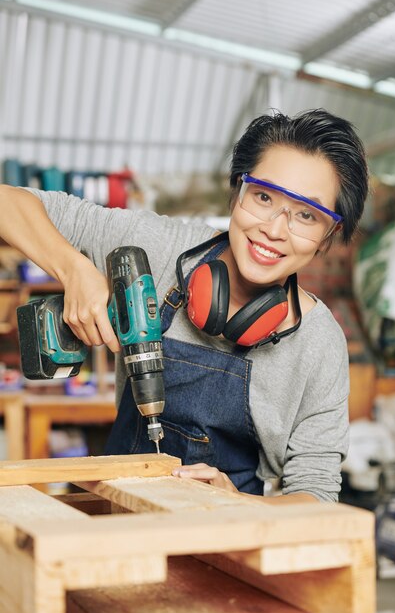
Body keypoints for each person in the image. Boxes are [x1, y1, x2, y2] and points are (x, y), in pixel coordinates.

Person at [0, 108, 368, 503]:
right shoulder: (155, 249)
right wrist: (73, 269)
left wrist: (238, 505)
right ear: (236, 190)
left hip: (231, 543)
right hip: (118, 516)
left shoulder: (318, 343)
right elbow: (8, 201)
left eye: (306, 215)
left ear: (329, 235)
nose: (274, 230)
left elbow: (316, 495)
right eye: (263, 196)